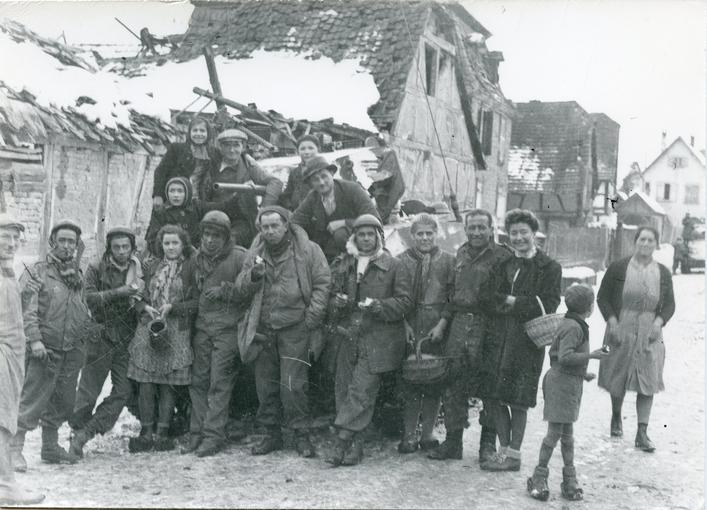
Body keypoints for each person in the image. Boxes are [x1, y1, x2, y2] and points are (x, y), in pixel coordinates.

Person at [236, 206, 331, 458]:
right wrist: (253, 277)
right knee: (265, 385)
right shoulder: (255, 252)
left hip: (296, 327)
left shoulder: (308, 250)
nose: (269, 231)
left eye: (274, 226)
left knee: (293, 385)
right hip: (264, 328)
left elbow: (322, 283)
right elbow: (240, 288)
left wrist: (312, 317)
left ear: (286, 225)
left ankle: (301, 434)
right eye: (264, 227)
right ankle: (271, 434)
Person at [479, 209, 562, 472]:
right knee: (496, 396)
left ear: (534, 233)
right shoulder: (502, 264)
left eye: (523, 232)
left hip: (526, 341)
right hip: (498, 338)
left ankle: (514, 453)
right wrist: (508, 302)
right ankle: (504, 452)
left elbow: (548, 303)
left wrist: (512, 302)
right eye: (513, 233)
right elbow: (486, 296)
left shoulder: (549, 267)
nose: (518, 238)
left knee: (518, 398)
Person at [327, 214, 412, 466]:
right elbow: (329, 296)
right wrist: (337, 301)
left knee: (362, 390)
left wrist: (379, 306)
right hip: (347, 335)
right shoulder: (344, 263)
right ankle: (356, 445)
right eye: (361, 234)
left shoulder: (395, 265)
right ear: (354, 237)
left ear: (379, 237)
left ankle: (341, 439)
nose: (365, 239)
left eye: (370, 234)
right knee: (343, 390)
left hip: (378, 338)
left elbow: (405, 302)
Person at [428, 209, 512, 463]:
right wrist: (443, 323)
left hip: (490, 326)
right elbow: (453, 294)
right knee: (453, 384)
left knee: (490, 385)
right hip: (459, 325)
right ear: (466, 229)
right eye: (472, 227)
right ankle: (453, 442)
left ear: (491, 229)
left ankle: (487, 445)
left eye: (481, 227)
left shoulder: (504, 256)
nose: (476, 232)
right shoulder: (461, 254)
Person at [11, 219, 93, 469]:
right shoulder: (37, 271)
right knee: (32, 399)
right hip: (44, 349)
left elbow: (82, 308)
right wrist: (35, 340)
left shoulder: (77, 275)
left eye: (72, 242)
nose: (67, 246)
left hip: (71, 349)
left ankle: (50, 447)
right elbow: (26, 309)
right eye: (62, 241)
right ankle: (14, 451)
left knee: (64, 401)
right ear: (52, 243)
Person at [526, 284, 609, 502]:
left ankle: (568, 479)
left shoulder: (572, 323)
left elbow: (564, 359)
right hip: (561, 385)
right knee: (555, 434)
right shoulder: (574, 327)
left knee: (567, 435)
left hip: (568, 383)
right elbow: (564, 357)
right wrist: (591, 356)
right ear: (589, 307)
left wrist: (583, 374)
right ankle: (539, 477)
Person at [597, 226, 674, 452]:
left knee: (648, 379)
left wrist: (658, 323)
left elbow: (670, 304)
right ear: (635, 241)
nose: (646, 244)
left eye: (651, 241)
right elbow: (603, 297)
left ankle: (642, 432)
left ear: (656, 245)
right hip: (621, 326)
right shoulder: (618, 268)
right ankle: (616, 415)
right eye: (642, 239)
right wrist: (611, 320)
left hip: (650, 331)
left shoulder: (663, 272)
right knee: (618, 374)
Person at [69, 227, 144, 458]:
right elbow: (88, 298)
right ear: (109, 248)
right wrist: (121, 292)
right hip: (100, 334)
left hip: (126, 337)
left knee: (123, 390)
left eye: (126, 247)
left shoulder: (138, 269)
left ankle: (86, 433)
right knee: (88, 392)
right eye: (116, 247)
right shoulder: (96, 267)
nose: (121, 252)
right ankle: (75, 433)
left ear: (132, 248)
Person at [182, 211, 248, 457]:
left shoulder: (239, 257)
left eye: (216, 235)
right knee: (198, 382)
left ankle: (213, 435)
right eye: (206, 234)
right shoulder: (195, 259)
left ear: (226, 237)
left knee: (219, 383)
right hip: (202, 329)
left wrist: (226, 290)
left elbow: (250, 290)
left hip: (227, 331)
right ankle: (196, 433)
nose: (210, 240)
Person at [127, 225, 198, 453]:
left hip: (177, 329)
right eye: (166, 243)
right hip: (149, 325)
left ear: (182, 244)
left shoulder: (190, 268)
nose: (170, 247)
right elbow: (136, 294)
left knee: (169, 382)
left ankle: (163, 432)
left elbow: (197, 302)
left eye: (175, 243)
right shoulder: (150, 266)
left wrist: (174, 307)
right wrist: (144, 307)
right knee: (146, 381)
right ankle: (147, 432)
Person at [395, 214, 453, 454]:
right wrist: (403, 323)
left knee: (434, 381)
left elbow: (453, 296)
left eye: (429, 233)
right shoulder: (400, 261)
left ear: (436, 234)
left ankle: (427, 434)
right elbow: (394, 295)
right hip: (409, 323)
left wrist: (442, 324)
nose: (425, 238)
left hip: (436, 326)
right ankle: (409, 435)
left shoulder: (449, 261)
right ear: (412, 236)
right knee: (410, 381)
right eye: (420, 233)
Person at [0, 215, 45, 505]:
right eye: (5, 237)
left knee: (7, 417)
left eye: (16, 238)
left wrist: (25, 295)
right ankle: (4, 486)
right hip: (1, 354)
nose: (12, 243)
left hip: (13, 355)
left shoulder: (7, 272)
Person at [203, 129, 283, 247]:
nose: (232, 150)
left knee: (231, 244)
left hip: (241, 219)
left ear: (243, 146)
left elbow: (275, 182)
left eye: (236, 145)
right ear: (220, 147)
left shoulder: (247, 164)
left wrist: (263, 211)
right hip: (214, 215)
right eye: (227, 145)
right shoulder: (212, 164)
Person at [291, 156, 380, 262]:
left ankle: (356, 264)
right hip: (330, 249)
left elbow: (375, 219)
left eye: (324, 176)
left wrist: (344, 222)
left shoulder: (352, 189)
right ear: (310, 184)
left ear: (332, 174)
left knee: (340, 233)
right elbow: (295, 221)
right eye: (315, 180)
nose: (321, 182)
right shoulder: (313, 197)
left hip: (359, 242)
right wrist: (302, 239)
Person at [144, 177, 237, 254]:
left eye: (180, 191)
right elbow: (152, 239)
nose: (176, 195)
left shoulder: (196, 206)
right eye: (172, 191)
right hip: (169, 254)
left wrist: (237, 196)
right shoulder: (161, 212)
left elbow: (221, 207)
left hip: (194, 254)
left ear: (187, 192)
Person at [152, 116, 216, 206]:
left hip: (198, 200)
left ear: (208, 133)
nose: (198, 134)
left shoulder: (212, 153)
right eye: (195, 130)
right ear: (189, 133)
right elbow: (161, 171)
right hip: (175, 198)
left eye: (202, 131)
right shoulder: (177, 149)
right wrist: (158, 195)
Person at [364, 136, 405, 224]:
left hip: (389, 197)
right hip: (383, 198)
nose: (369, 150)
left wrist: (369, 186)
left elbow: (385, 176)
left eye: (371, 146)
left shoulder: (389, 153)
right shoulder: (381, 157)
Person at [279, 134, 321, 211]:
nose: (307, 152)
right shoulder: (295, 172)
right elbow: (286, 194)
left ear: (318, 149)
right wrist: (290, 207)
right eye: (302, 149)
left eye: (311, 148)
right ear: (298, 151)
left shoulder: (324, 170)